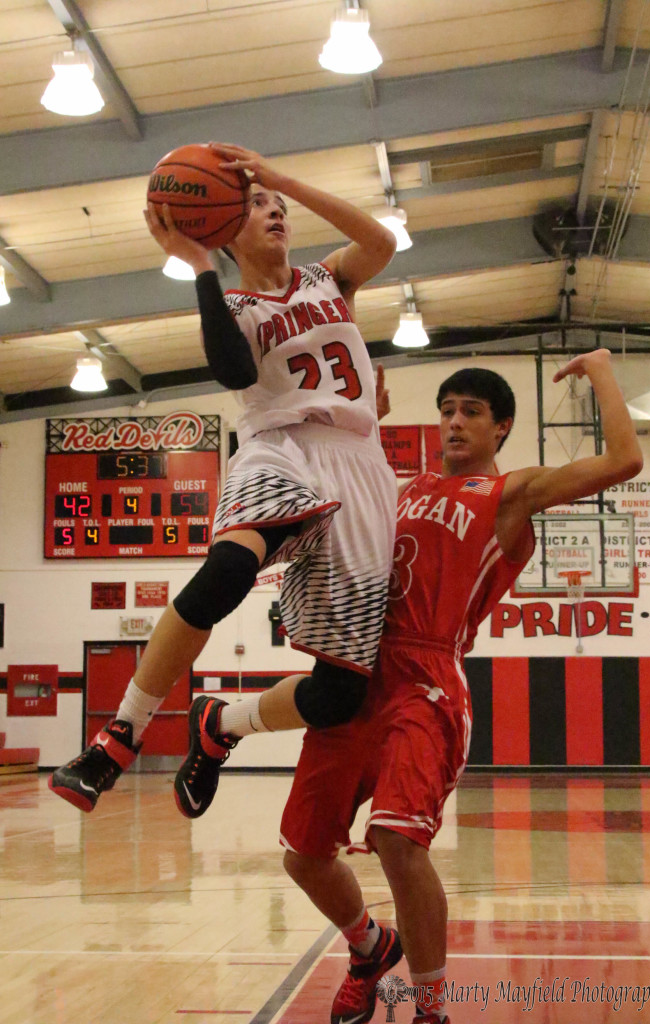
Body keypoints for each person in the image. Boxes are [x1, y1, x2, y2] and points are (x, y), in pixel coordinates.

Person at [271, 351, 642, 1024]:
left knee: (395, 838)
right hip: (358, 673)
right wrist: (358, 424)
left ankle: (432, 1010)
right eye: (446, 411)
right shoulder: (404, 487)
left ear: (501, 428)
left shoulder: (510, 495)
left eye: (471, 412)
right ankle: (367, 948)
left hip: (427, 680)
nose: (454, 422)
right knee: (303, 854)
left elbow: (624, 462)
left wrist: (602, 370)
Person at [49, 143, 398, 814]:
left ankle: (219, 726)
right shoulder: (234, 306)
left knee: (340, 694)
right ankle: (117, 737)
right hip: (279, 448)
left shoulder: (331, 280)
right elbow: (237, 376)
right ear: (221, 225)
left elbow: (380, 239)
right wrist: (200, 267)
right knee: (225, 576)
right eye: (258, 205)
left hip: (360, 467)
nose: (275, 212)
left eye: (280, 206)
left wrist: (275, 174)